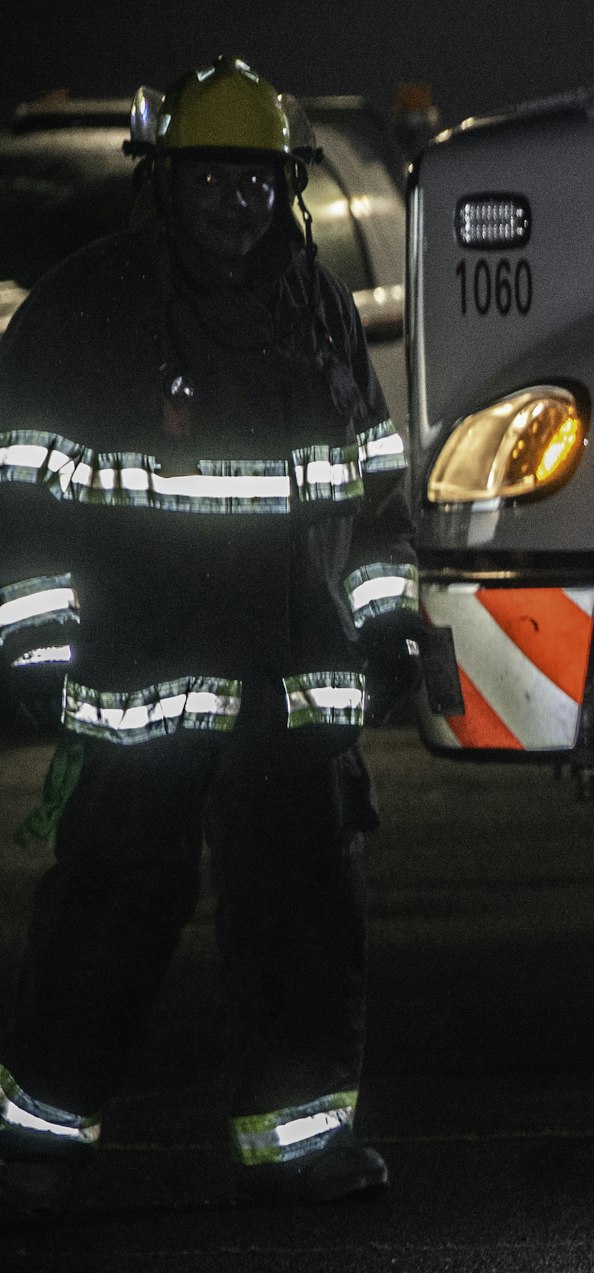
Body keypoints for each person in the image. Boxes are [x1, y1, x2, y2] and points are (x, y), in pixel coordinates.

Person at [0, 57, 416, 1209]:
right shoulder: (91, 309)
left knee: (304, 921)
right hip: (147, 681)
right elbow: (21, 492)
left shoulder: (317, 307)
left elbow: (372, 488)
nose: (235, 203)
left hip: (295, 693)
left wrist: (390, 627)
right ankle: (36, 1135)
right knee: (109, 914)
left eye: (256, 181)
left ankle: (299, 1143)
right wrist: (34, 644)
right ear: (164, 182)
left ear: (284, 188)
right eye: (211, 179)